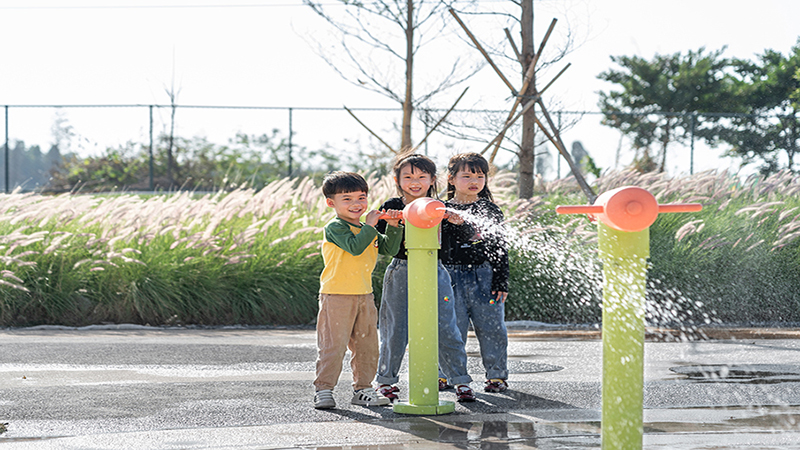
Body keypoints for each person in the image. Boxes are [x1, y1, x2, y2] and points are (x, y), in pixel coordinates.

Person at [375, 153, 476, 403]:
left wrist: (458, 221)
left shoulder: (439, 207)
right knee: (395, 327)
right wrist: (390, 222)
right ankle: (386, 381)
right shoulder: (393, 205)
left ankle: (460, 380)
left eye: (421, 176)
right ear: (397, 180)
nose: (414, 181)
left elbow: (466, 236)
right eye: (407, 176)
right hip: (401, 269)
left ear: (432, 179)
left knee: (446, 326)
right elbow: (379, 239)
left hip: (435, 269)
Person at [313, 171, 404, 409]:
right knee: (334, 345)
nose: (357, 204)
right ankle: (324, 388)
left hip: (365, 295)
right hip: (336, 295)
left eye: (361, 197)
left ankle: (363, 389)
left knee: (367, 346)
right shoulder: (335, 227)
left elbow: (390, 249)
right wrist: (372, 225)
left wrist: (393, 226)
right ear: (330, 203)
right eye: (347, 199)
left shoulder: (367, 228)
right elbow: (354, 247)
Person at [439, 152, 510, 393]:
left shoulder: (490, 210)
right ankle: (448, 374)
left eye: (480, 176)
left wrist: (501, 279)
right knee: (450, 328)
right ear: (451, 179)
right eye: (466, 175)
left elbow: (499, 246)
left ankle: (496, 375)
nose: (474, 180)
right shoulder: (440, 210)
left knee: (492, 328)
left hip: (484, 275)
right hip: (449, 276)